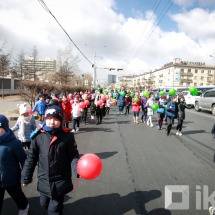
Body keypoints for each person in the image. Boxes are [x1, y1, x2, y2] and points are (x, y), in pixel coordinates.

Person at [21, 106, 79, 215]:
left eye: (56, 119)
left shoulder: (67, 136)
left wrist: (78, 169)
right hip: (44, 180)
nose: (52, 122)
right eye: (49, 119)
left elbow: (73, 155)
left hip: (61, 180)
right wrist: (26, 177)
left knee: (54, 210)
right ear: (45, 119)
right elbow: (31, 158)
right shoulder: (38, 136)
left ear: (61, 120)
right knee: (44, 204)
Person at [0, 114, 29, 215]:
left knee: (17, 195)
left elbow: (24, 160)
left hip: (12, 178)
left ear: (5, 128)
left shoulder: (14, 143)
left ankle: (24, 207)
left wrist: (25, 176)